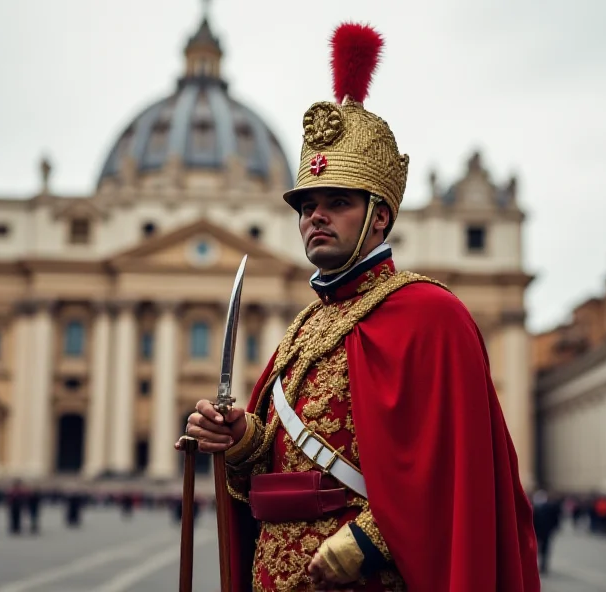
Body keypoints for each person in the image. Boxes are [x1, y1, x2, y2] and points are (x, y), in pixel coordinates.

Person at [178, 21, 540, 592]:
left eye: (337, 202)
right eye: (306, 206)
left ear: (380, 216)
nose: (314, 217)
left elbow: (455, 472)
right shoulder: (302, 328)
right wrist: (241, 438)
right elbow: (277, 464)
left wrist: (372, 539)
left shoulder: (430, 314)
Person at [532, 491, 561, 575]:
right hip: (537, 532)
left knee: (544, 549)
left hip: (545, 531)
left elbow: (555, 520)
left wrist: (553, 529)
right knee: (536, 549)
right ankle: (536, 565)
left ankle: (543, 566)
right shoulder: (534, 507)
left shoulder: (550, 507)